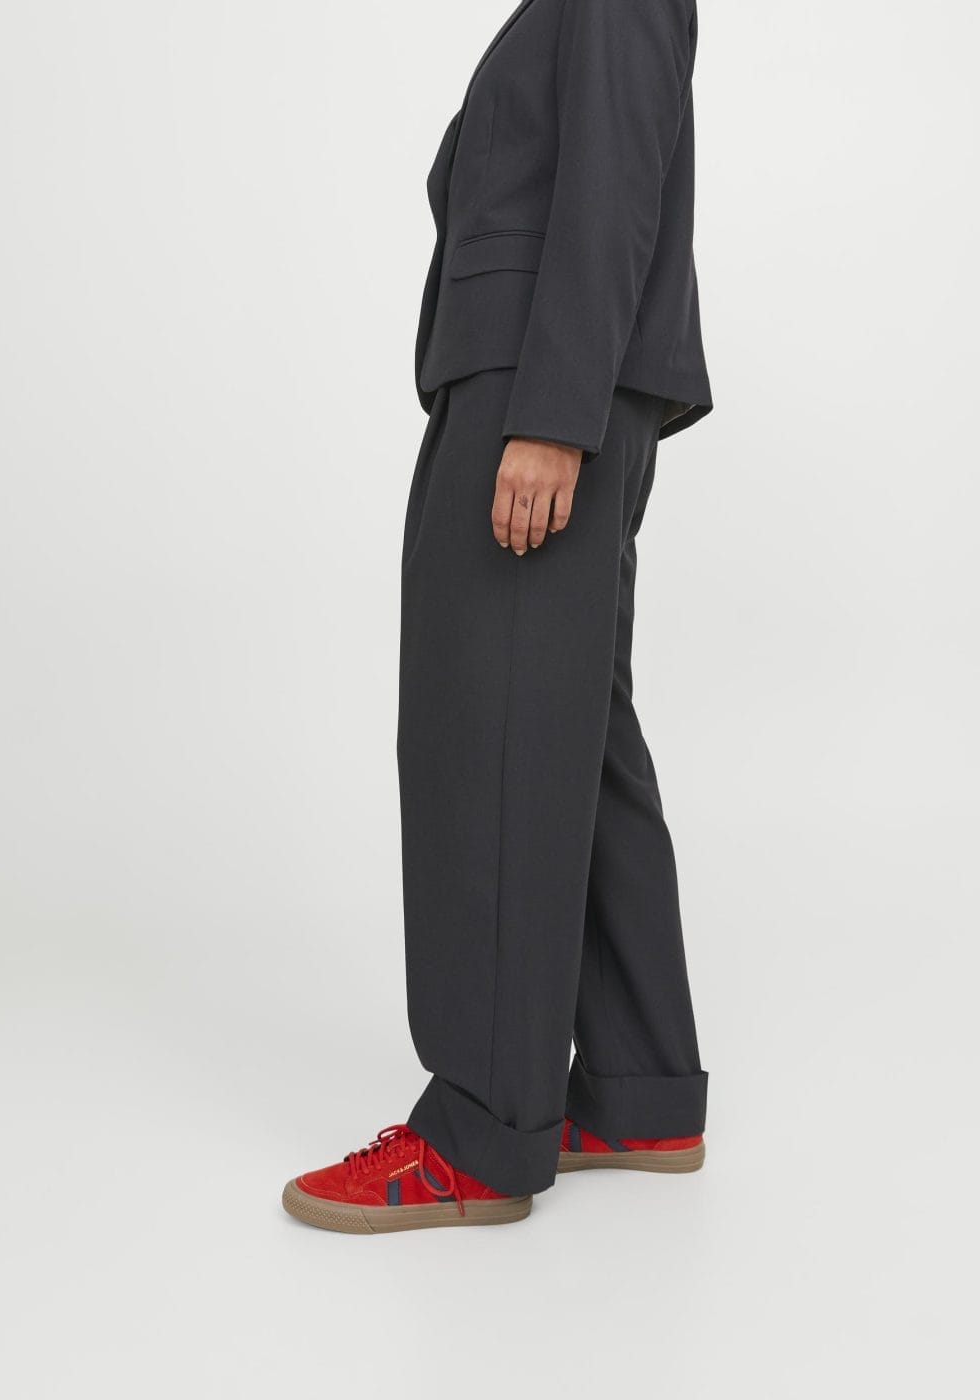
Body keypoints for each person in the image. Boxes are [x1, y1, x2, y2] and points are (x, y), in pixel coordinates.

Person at [283, 0, 713, 1234]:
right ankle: (637, 1088)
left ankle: (478, 1128)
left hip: (539, 383)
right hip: (544, 374)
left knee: (491, 734)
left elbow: (613, 177)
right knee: (574, 729)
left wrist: (554, 414)